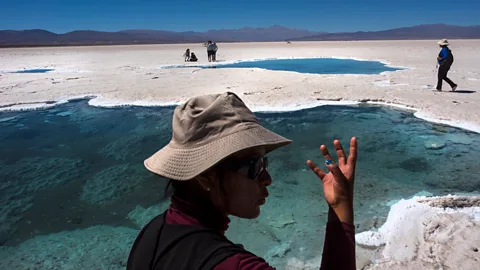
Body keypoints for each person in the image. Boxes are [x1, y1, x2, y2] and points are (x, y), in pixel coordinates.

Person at [127, 92, 357, 270]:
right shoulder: (235, 265)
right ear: (205, 177)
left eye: (264, 164)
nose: (267, 179)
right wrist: (341, 206)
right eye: (253, 167)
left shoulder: (152, 234)